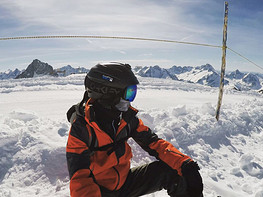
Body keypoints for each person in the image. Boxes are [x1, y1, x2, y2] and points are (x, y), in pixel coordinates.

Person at [66, 62, 203, 197]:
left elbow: (153, 142)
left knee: (173, 171)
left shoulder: (126, 119)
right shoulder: (82, 128)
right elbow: (80, 178)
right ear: (107, 93)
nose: (130, 100)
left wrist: (185, 164)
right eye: (128, 93)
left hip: (125, 183)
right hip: (100, 191)